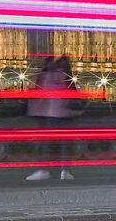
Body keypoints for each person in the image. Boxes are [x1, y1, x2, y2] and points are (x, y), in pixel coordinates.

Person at [26, 54, 81, 182]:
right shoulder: (66, 77)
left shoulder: (44, 75)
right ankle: (64, 171)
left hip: (44, 114)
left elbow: (35, 94)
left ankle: (44, 170)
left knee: (46, 144)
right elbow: (74, 96)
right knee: (65, 144)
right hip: (64, 115)